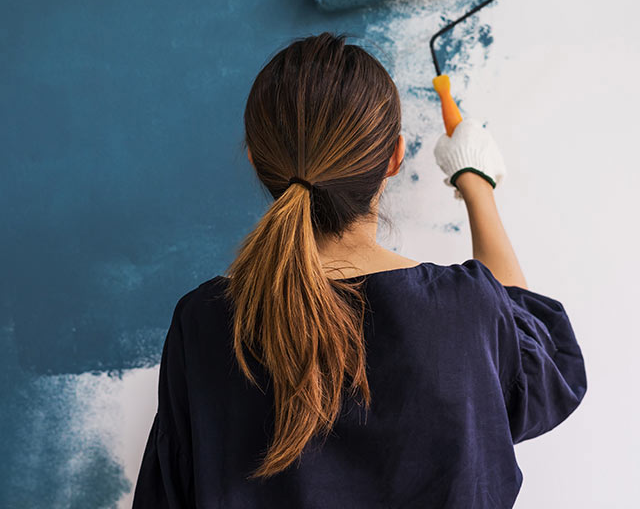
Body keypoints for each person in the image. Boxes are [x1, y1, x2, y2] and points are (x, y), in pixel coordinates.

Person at [132, 32, 587, 508]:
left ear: (255, 160)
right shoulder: (462, 311)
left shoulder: (204, 323)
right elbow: (540, 363)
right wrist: (477, 182)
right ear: (395, 157)